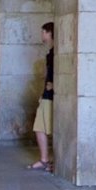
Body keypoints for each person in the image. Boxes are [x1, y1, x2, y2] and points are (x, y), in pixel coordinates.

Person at [26, 20, 56, 172]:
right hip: (47, 94)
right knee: (41, 126)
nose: (42, 35)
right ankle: (45, 160)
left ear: (49, 33)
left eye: (43, 32)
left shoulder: (54, 53)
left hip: (50, 95)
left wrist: (54, 85)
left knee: (42, 127)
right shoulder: (51, 52)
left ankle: (46, 160)